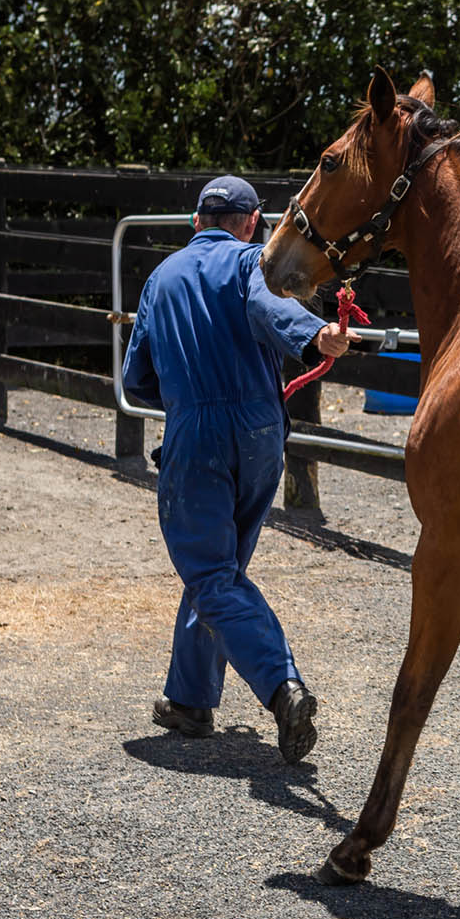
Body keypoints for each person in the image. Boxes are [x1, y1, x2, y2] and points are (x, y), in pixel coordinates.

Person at [122, 175, 352, 763]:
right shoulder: (253, 261)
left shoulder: (161, 278)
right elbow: (267, 305)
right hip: (260, 433)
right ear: (251, 223)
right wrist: (315, 335)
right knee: (219, 573)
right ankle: (191, 700)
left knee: (213, 575)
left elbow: (135, 380)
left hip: (197, 432)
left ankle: (282, 687)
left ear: (197, 220)